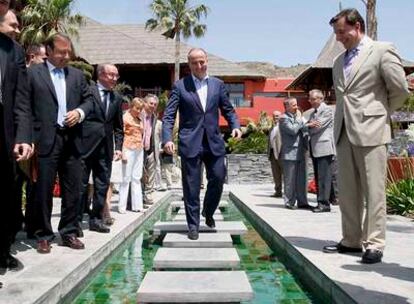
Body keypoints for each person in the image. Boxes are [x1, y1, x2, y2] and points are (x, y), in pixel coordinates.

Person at [323, 9, 410, 264]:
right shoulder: (338, 62)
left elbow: (400, 90)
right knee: (348, 191)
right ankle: (351, 240)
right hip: (343, 131)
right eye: (336, 33)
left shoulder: (383, 50)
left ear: (357, 26)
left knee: (374, 191)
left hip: (372, 130)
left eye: (342, 32)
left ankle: (374, 244)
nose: (339, 38)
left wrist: (378, 114)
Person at [162, 48, 242, 240]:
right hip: (190, 142)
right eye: (194, 63)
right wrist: (167, 139)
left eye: (202, 61)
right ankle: (193, 225)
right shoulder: (180, 86)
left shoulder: (218, 84)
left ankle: (208, 211)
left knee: (217, 177)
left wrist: (235, 126)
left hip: (213, 142)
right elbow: (169, 115)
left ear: (207, 61)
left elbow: (228, 109)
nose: (199, 66)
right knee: (191, 186)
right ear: (189, 65)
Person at [28, 33, 93, 254]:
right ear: (48, 50)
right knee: (43, 188)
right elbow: (24, 108)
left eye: (68, 52)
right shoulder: (33, 74)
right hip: (45, 138)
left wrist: (80, 112)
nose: (66, 56)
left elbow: (89, 101)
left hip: (72, 139)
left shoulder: (76, 75)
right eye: (61, 52)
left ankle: (69, 232)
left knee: (73, 188)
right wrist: (28, 138)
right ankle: (43, 234)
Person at [0, 0, 32, 276]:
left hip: (5, 135)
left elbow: (21, 100)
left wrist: (23, 135)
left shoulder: (14, 51)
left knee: (7, 197)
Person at [78, 64, 123, 234]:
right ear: (101, 75)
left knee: (102, 184)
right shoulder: (87, 91)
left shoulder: (117, 98)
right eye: (112, 75)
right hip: (85, 146)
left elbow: (118, 127)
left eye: (116, 76)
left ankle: (96, 219)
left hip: (106, 149)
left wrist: (118, 147)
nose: (114, 79)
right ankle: (75, 221)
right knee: (81, 184)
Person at [279, 98, 312, 210]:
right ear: (287, 107)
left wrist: (307, 125)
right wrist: (300, 120)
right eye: (293, 105)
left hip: (301, 151)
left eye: (296, 104)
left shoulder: (298, 117)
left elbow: (304, 129)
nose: (296, 107)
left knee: (302, 179)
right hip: (290, 153)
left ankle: (302, 202)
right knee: (290, 179)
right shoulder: (283, 118)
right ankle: (289, 202)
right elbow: (293, 131)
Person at [307, 89, 335, 213]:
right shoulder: (313, 113)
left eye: (313, 99)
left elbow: (318, 127)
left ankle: (324, 204)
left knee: (324, 177)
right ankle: (326, 200)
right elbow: (312, 125)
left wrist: (308, 126)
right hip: (315, 148)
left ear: (320, 98)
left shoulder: (327, 110)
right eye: (310, 99)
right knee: (319, 177)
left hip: (324, 148)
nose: (310, 101)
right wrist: (309, 125)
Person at [118, 97, 145, 213]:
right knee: (125, 178)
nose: (139, 110)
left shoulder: (139, 119)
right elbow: (121, 135)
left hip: (139, 149)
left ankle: (137, 205)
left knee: (136, 177)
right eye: (137, 108)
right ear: (131, 106)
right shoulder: (125, 117)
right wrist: (122, 152)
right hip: (128, 148)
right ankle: (122, 206)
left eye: (140, 109)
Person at [142, 94, 159, 207]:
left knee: (150, 174)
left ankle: (147, 195)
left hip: (151, 149)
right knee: (140, 175)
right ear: (145, 103)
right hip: (139, 149)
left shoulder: (154, 117)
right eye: (151, 103)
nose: (153, 106)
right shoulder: (139, 115)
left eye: (155, 104)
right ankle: (139, 197)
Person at [267, 110, 283, 198]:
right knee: (276, 175)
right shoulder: (271, 128)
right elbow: (269, 142)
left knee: (286, 175)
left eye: (277, 116)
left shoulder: (283, 127)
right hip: (273, 153)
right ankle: (278, 192)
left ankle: (289, 193)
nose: (275, 118)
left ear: (281, 116)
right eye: (274, 116)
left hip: (281, 153)